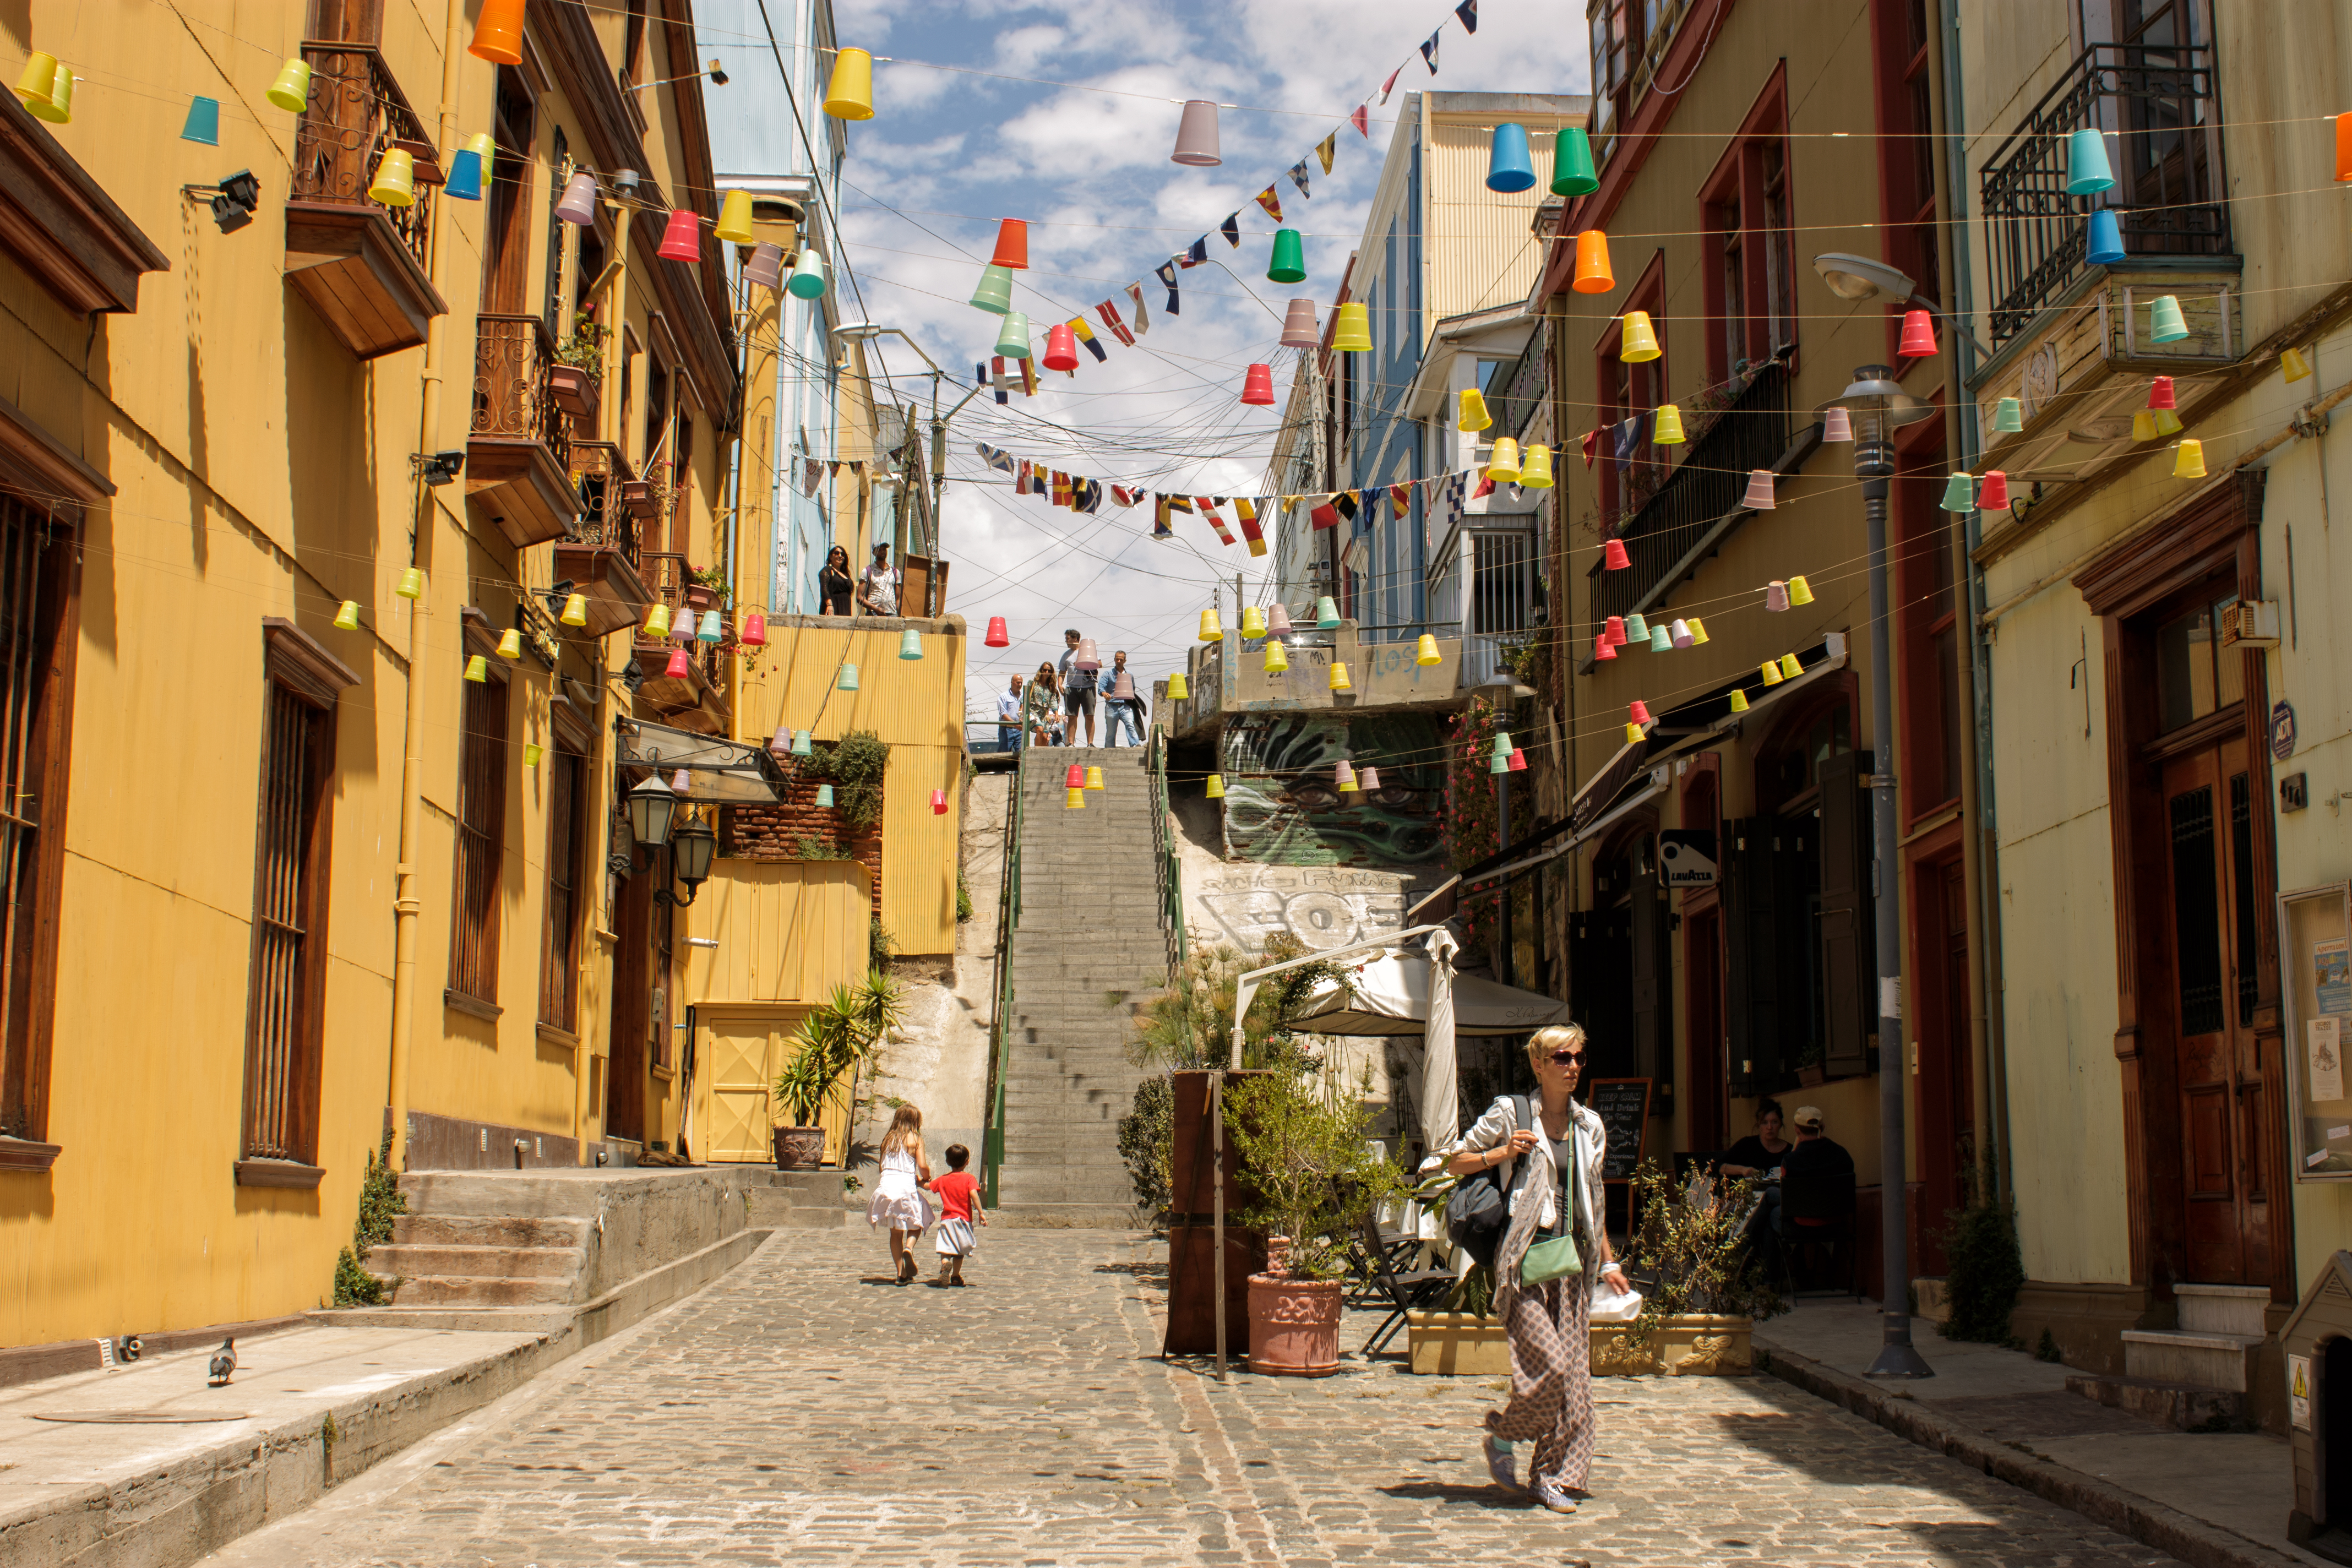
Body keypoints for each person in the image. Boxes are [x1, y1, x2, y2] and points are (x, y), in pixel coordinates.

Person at [1442, 1023, 1629, 1514]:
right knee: (1550, 1367)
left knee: (1575, 1386)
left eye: (1578, 1059)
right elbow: (1453, 1161)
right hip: (1524, 1263)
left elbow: (1594, 1203)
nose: (1572, 1068)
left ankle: (1548, 1477)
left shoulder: (1590, 1125)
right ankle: (1503, 1439)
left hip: (1571, 1266)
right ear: (1539, 1065)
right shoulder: (1512, 1112)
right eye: (1562, 1058)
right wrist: (1503, 1153)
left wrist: (1609, 1261)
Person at [865, 1104, 933, 1285]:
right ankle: (909, 1249)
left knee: (895, 1235)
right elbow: (923, 1166)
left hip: (886, 1189)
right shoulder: (916, 1139)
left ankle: (901, 1274)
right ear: (915, 1121)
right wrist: (926, 1177)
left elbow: (882, 1167)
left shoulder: (888, 1139)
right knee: (917, 1222)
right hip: (906, 1188)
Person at [924, 1142, 986, 1286]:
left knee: (946, 1248)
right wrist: (981, 1213)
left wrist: (918, 1182)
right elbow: (973, 1194)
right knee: (959, 1251)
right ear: (967, 1161)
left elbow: (928, 1186)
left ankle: (945, 1264)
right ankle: (956, 1276)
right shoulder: (969, 1179)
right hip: (963, 1221)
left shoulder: (943, 1179)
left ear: (947, 1162)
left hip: (947, 1220)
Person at [1718, 1098, 1791, 1180]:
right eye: (1765, 1123)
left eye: (1775, 1122)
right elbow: (1717, 1166)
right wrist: (1742, 1170)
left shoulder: (1790, 1152)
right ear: (1758, 1125)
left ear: (1781, 1124)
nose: (1770, 1127)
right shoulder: (1746, 1145)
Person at [1057, 628, 1097, 748]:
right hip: (1071, 688)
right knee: (1072, 716)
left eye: (1068, 639)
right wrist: (1060, 685)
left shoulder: (1087, 650)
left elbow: (1099, 664)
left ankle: (1090, 743)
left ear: (1075, 638)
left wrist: (1084, 661)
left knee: (1089, 715)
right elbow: (1062, 672)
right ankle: (1070, 743)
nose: (1066, 641)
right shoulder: (1066, 655)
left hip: (1088, 687)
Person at [1102, 651, 1140, 748]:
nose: (1118, 661)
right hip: (1112, 706)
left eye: (1121, 659)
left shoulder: (1129, 674)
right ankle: (1109, 751)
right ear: (1114, 659)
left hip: (1125, 706)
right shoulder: (1108, 674)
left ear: (1125, 661)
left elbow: (1132, 688)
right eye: (1117, 659)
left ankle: (1135, 745)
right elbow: (1101, 687)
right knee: (1111, 732)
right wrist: (1104, 693)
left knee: (1130, 725)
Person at [1022, 662, 1059, 749]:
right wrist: (1022, 710)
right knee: (1039, 729)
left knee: (1045, 736)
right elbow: (1025, 697)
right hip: (1033, 711)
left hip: (1044, 715)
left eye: (1049, 671)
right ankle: (1036, 752)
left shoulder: (1051, 686)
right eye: (1045, 670)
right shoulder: (1033, 682)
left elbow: (1053, 701)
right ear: (1041, 670)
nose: (1046, 672)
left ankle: (1041, 753)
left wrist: (1056, 713)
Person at [858, 542, 900, 617]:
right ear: (874, 552)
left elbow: (898, 599)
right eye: (879, 550)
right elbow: (859, 597)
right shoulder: (867, 571)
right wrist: (875, 608)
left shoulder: (895, 572)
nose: (882, 552)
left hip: (892, 614)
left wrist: (900, 615)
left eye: (884, 549)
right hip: (874, 614)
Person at [818, 543, 854, 616]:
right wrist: (829, 605)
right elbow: (824, 588)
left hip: (845, 609)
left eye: (843, 554)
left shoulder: (846, 575)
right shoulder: (828, 570)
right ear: (831, 557)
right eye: (837, 553)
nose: (840, 556)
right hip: (834, 607)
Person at [995, 675, 1025, 754]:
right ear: (1012, 682)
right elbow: (1003, 714)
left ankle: (1019, 767)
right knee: (1004, 754)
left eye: (1021, 683)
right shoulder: (1003, 697)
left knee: (1021, 754)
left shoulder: (1024, 697)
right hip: (1006, 729)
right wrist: (1015, 725)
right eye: (1017, 682)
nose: (1019, 685)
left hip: (1019, 731)